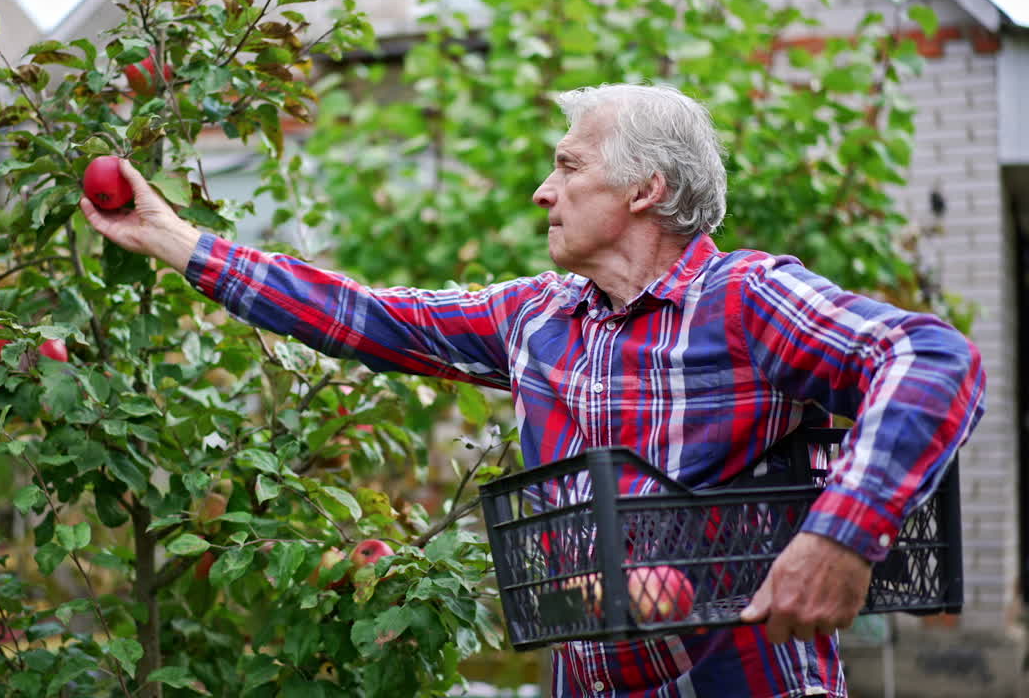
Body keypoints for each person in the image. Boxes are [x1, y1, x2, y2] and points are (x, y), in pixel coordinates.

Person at [79, 83, 985, 697]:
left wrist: (842, 535)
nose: (541, 192)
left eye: (569, 166)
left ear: (646, 188)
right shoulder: (538, 318)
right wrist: (179, 242)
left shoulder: (746, 299)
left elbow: (933, 360)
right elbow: (365, 314)